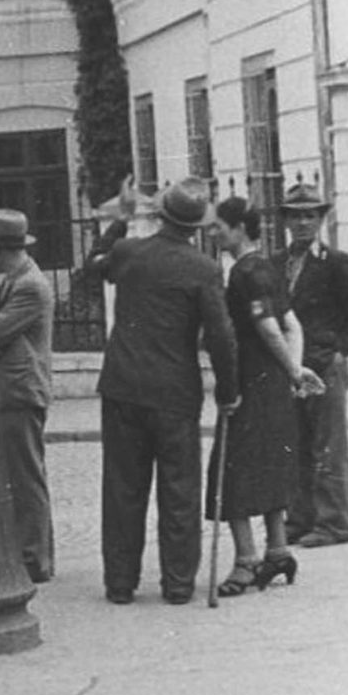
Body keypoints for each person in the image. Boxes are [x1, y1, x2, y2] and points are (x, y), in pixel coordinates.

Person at [86, 178, 238, 606]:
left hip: (122, 386)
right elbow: (222, 336)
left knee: (122, 489)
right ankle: (177, 584)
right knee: (179, 490)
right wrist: (229, 391)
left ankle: (119, 583)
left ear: (162, 214)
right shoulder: (203, 269)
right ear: (195, 226)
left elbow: (93, 263)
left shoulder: (129, 253)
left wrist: (119, 221)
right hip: (174, 392)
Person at [205, 197, 325, 597]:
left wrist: (294, 371)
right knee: (272, 463)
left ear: (240, 227)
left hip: (248, 381)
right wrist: (294, 371)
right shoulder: (269, 268)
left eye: (219, 225)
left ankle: (246, 561)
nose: (213, 232)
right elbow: (294, 326)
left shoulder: (243, 273)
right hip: (272, 381)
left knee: (234, 469)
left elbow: (270, 328)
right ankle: (278, 551)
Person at [272, 183, 348, 548]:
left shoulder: (335, 262)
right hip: (290, 366)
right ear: (287, 220)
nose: (303, 222)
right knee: (294, 443)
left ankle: (334, 523)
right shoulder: (277, 263)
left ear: (321, 219)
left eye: (310, 215)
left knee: (328, 445)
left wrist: (339, 352)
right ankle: (299, 518)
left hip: (323, 365)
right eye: (296, 215)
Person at [0, 210, 57, 584]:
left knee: (27, 476)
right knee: (24, 473)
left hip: (21, 389)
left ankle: (35, 559)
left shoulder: (29, 285)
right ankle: (34, 553)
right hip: (16, 389)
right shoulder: (17, 280)